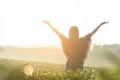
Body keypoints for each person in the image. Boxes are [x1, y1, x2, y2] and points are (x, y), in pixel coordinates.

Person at [43, 20, 108, 70]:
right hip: (77, 65)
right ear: (78, 33)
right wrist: (100, 25)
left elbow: (57, 33)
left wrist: (49, 24)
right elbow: (92, 33)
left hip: (71, 65)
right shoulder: (81, 40)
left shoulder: (68, 40)